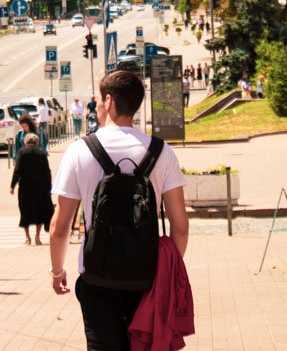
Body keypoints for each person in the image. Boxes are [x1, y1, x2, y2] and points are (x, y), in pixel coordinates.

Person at [49, 69, 189, 351]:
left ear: (109, 101)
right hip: (146, 277)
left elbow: (60, 227)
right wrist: (166, 269)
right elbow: (181, 225)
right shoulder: (162, 153)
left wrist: (56, 271)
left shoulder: (79, 151)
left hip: (97, 276)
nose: (98, 106)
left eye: (99, 101)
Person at [10, 133, 54, 245]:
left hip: (25, 188)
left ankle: (27, 238)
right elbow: (47, 172)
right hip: (40, 188)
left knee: (25, 212)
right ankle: (37, 237)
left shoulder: (22, 153)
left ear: (25, 142)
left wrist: (12, 185)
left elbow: (17, 170)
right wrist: (49, 188)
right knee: (39, 211)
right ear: (37, 143)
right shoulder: (42, 154)